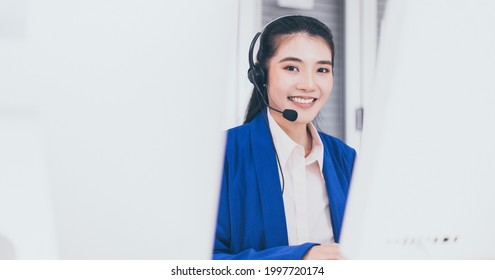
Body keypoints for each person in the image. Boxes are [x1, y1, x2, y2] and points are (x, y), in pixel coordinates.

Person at [213, 15, 356, 260]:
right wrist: (300, 259)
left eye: (322, 69)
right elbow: (197, 261)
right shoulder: (223, 154)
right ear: (260, 74)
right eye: (292, 68)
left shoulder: (346, 159)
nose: (309, 85)